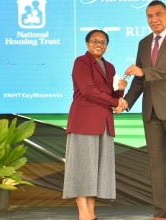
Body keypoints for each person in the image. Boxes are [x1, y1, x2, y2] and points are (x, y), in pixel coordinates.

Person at [119, 1, 166, 220]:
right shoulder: (143, 43)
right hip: (150, 112)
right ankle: (161, 213)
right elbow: (139, 81)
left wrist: (144, 71)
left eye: (158, 14)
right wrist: (126, 102)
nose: (154, 19)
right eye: (149, 16)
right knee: (156, 166)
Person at [62, 29, 127, 220]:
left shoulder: (111, 67)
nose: (99, 44)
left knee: (95, 170)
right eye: (94, 41)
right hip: (84, 121)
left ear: (107, 45)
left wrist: (120, 93)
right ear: (87, 44)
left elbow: (111, 95)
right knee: (82, 168)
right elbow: (89, 91)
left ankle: (91, 213)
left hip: (104, 123)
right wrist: (117, 103)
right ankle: (85, 214)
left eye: (103, 42)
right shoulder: (81, 62)